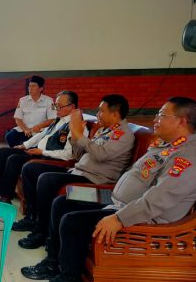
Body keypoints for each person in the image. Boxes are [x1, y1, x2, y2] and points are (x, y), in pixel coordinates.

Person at [21, 96, 196, 282]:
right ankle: (53, 262)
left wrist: (119, 218)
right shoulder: (167, 145)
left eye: (162, 114)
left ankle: (71, 280)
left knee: (73, 221)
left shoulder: (187, 157)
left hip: (138, 217)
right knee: (63, 201)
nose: (156, 118)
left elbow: (158, 200)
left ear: (182, 120)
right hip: (114, 198)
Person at [16, 94, 135, 250]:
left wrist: (80, 134)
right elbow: (80, 155)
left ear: (114, 114)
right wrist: (75, 137)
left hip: (96, 182)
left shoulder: (124, 135)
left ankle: (42, 232)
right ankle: (35, 220)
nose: (98, 115)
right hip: (78, 171)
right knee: (32, 169)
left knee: (47, 180)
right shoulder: (104, 131)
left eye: (101, 111)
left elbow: (100, 154)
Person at [0, 91, 83, 203]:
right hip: (38, 152)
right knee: (2, 152)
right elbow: (42, 134)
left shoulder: (77, 126)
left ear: (71, 106)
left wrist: (42, 152)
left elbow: (69, 154)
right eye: (55, 106)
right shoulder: (58, 120)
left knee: (13, 159)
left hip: (49, 158)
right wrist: (24, 145)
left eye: (59, 106)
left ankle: (5, 197)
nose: (56, 109)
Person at [5, 76, 57, 147]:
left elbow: (52, 119)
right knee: (10, 136)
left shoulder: (49, 101)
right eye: (29, 86)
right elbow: (18, 118)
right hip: (23, 130)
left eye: (33, 86)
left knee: (33, 144)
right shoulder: (22, 100)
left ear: (40, 88)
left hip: (38, 131)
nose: (30, 88)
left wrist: (38, 126)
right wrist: (25, 129)